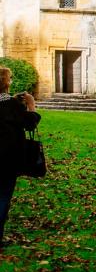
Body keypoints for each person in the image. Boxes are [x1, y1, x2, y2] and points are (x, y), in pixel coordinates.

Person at [0, 67, 40, 249]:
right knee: (2, 196)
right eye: (9, 78)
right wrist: (31, 105)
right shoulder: (11, 105)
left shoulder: (10, 103)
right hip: (6, 158)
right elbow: (29, 123)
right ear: (5, 82)